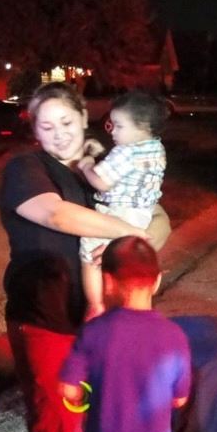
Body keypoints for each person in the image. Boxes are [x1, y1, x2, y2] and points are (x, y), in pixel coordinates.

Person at [0, 82, 171, 432]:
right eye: (46, 127)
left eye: (66, 123)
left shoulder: (105, 165)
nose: (59, 135)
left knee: (109, 422)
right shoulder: (26, 168)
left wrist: (146, 238)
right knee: (59, 428)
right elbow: (56, 214)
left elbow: (159, 216)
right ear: (33, 129)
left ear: (83, 117)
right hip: (49, 319)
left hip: (110, 321)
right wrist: (129, 232)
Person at [59, 236, 191, 432]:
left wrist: (89, 395)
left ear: (108, 282)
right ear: (157, 281)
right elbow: (179, 399)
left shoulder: (93, 332)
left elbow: (68, 389)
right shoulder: (174, 335)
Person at [77, 90, 167, 319]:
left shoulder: (126, 152)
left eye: (118, 126)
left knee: (90, 253)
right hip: (142, 214)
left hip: (119, 213)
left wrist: (87, 165)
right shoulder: (156, 148)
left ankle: (96, 304)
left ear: (144, 126)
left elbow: (101, 182)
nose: (113, 131)